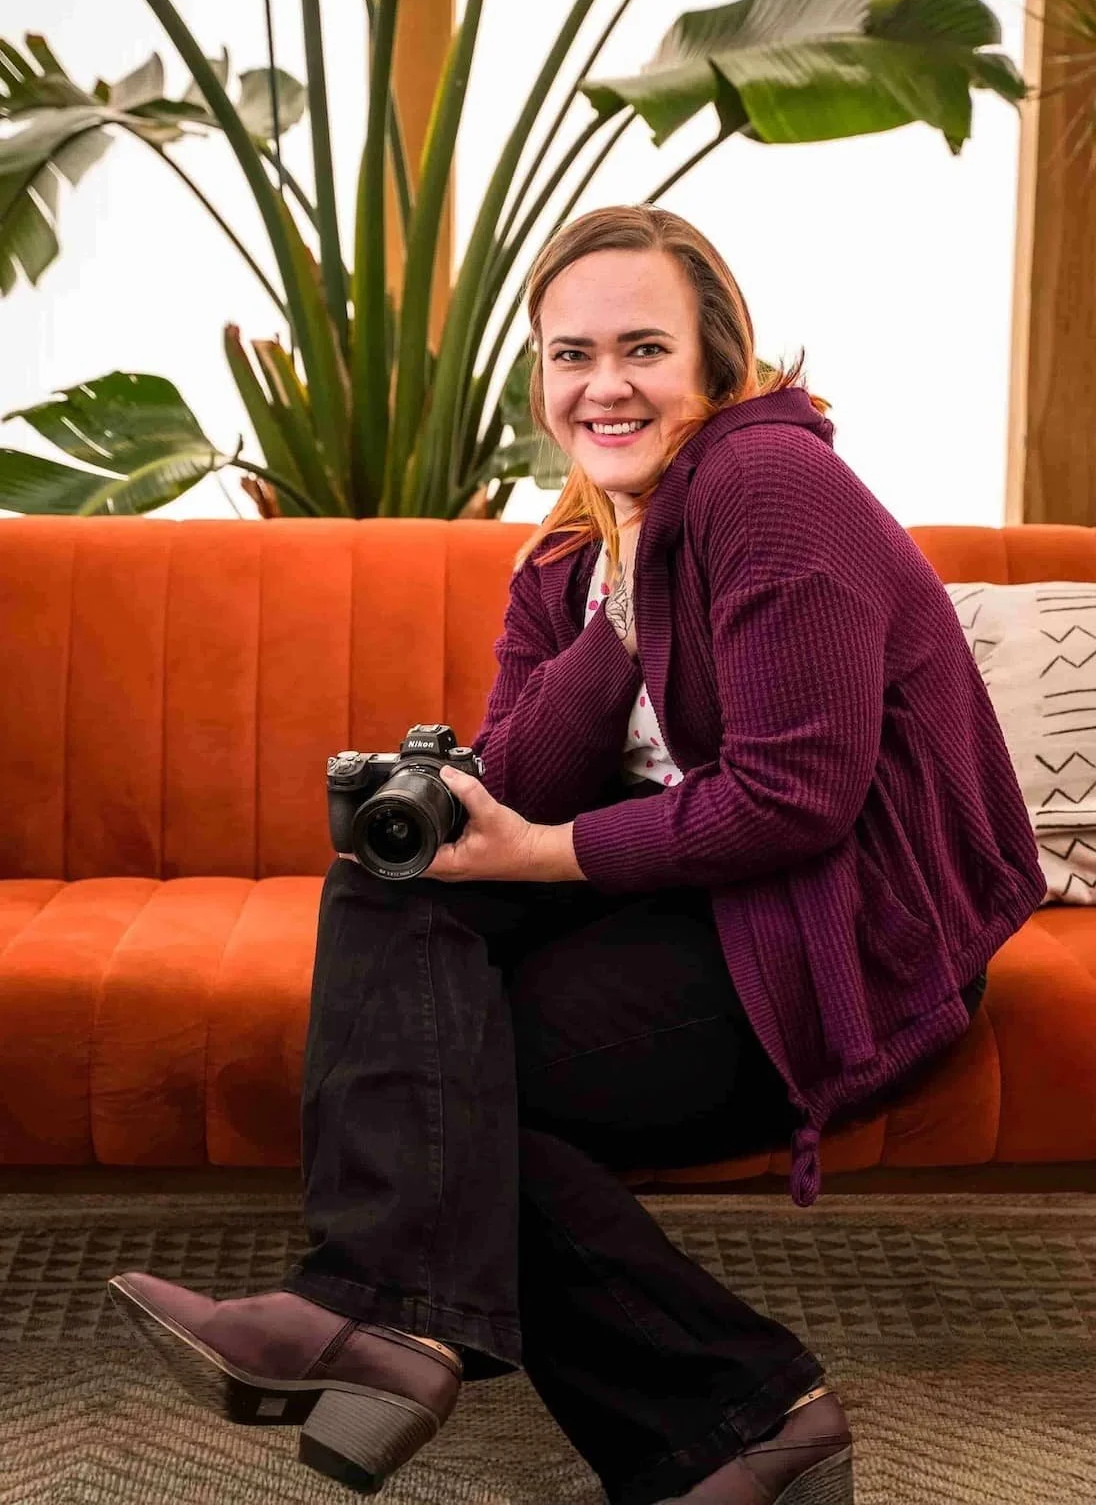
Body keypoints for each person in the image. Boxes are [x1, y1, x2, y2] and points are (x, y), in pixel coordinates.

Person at [107, 205, 1045, 1505]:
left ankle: (642, 1392)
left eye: (643, 348)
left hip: (835, 936)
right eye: (569, 355)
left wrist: (540, 848)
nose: (602, 385)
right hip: (693, 919)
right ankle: (683, 1409)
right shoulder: (567, 556)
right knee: (399, 870)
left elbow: (792, 801)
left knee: (461, 1096)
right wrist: (613, 611)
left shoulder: (771, 484)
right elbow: (512, 778)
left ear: (719, 364)